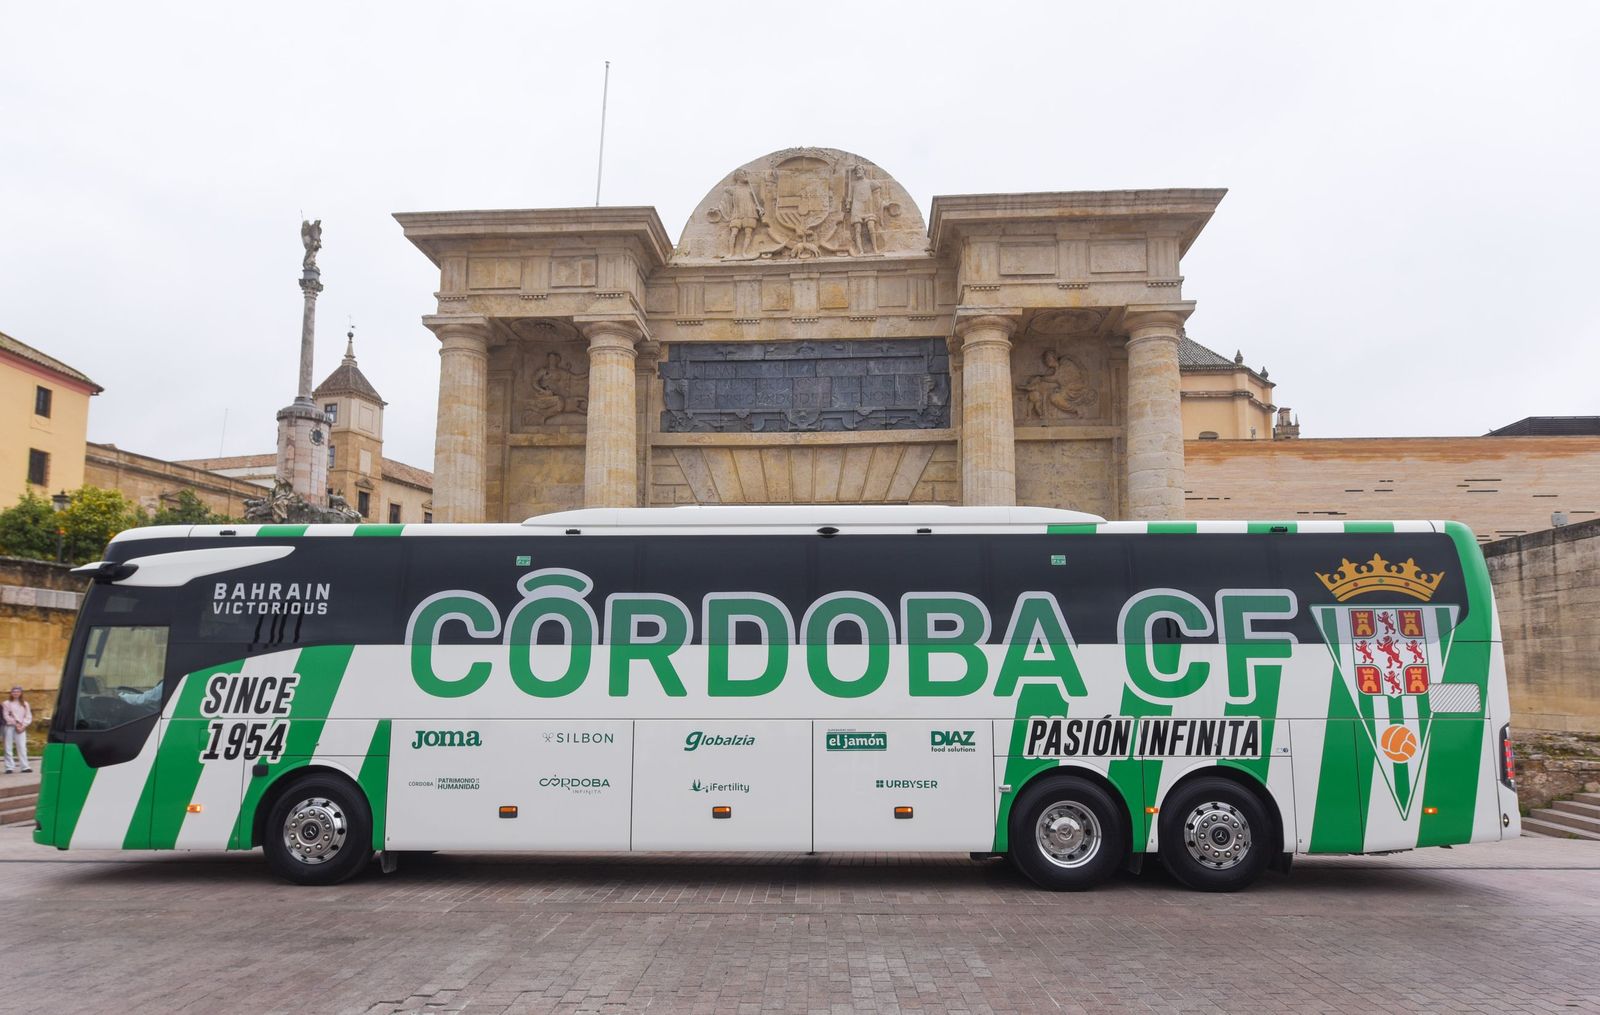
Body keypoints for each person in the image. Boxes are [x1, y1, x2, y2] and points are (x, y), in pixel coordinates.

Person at [3, 687, 31, 774]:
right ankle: (9, 767)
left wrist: (24, 725)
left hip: (21, 728)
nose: (16, 693)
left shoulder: (25, 704)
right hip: (9, 727)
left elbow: (28, 716)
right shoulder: (6, 703)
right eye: (14, 692)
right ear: (11, 693)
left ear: (21, 693)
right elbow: (6, 715)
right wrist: (15, 724)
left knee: (22, 747)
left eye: (18, 692)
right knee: (8, 747)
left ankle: (25, 766)